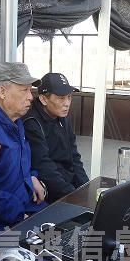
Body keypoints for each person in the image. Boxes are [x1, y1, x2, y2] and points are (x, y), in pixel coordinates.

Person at [0, 63, 47, 230]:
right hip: (3, 222)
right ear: (2, 92)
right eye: (24, 90)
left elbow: (20, 162)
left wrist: (31, 177)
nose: (30, 97)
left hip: (27, 204)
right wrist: (19, 215)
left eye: (30, 90)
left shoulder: (15, 121)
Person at [24, 73, 89, 203]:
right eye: (61, 98)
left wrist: (86, 188)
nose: (67, 103)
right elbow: (43, 166)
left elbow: (74, 157)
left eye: (69, 97)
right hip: (50, 190)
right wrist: (73, 196)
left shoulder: (62, 116)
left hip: (69, 181)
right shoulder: (32, 122)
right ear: (43, 99)